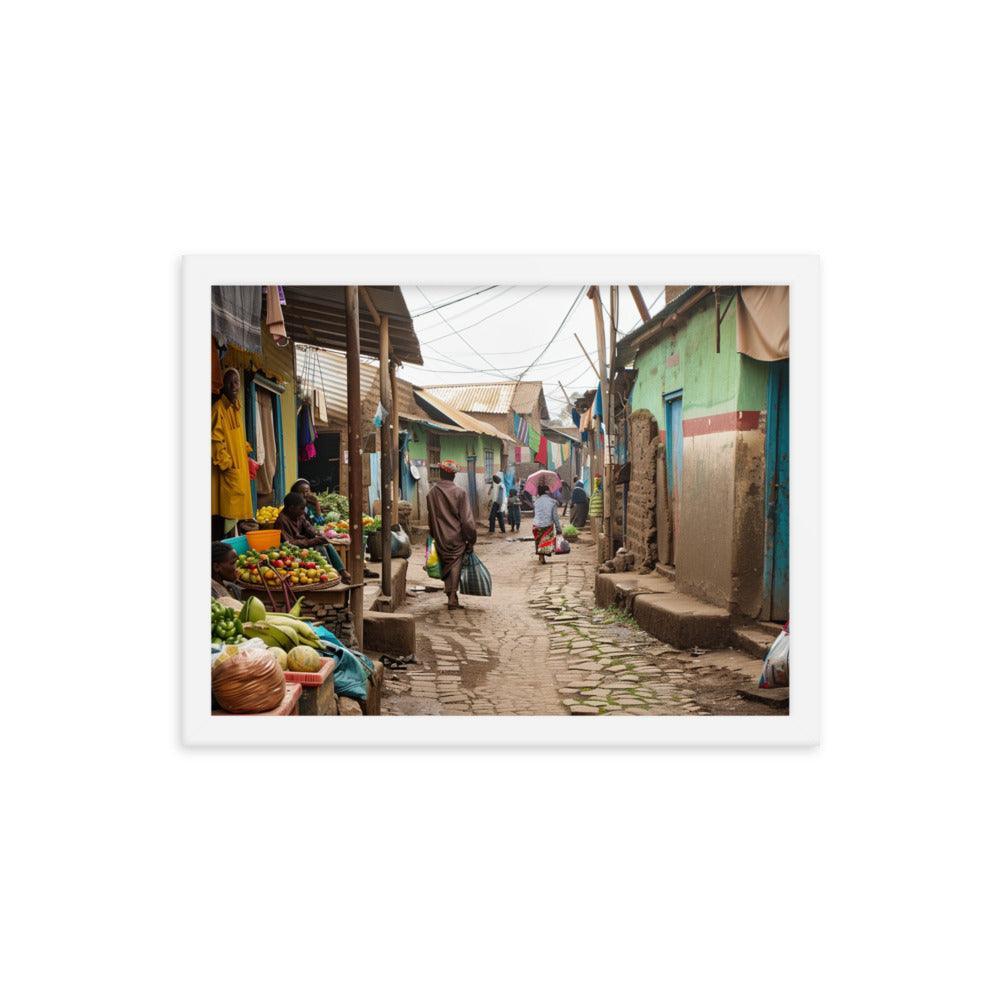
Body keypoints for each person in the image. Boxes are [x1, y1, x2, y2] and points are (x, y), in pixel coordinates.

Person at [426, 459, 478, 610]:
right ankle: (453, 596)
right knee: (455, 564)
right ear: (454, 476)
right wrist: (471, 540)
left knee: (446, 565)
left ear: (440, 474)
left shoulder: (431, 493)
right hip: (456, 537)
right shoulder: (460, 493)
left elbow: (431, 518)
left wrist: (433, 534)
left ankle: (450, 594)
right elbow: (467, 521)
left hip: (439, 536)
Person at [211, 368, 254, 534]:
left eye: (237, 382)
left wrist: (245, 453)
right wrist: (228, 464)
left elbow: (236, 438)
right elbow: (215, 441)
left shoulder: (235, 408)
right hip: (228, 472)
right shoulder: (218, 409)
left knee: (237, 515)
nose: (235, 386)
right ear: (223, 385)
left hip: (239, 469)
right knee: (228, 515)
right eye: (231, 382)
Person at [274, 491, 351, 582]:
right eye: (301, 509)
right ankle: (331, 573)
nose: (303, 511)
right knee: (320, 547)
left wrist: (318, 534)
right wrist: (313, 541)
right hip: (292, 551)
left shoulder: (298, 515)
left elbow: (309, 528)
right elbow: (289, 543)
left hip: (304, 544)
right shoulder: (281, 521)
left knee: (327, 544)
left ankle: (342, 571)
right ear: (291, 508)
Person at [532, 482, 562, 564]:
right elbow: (555, 517)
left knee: (538, 540)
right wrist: (558, 528)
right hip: (547, 525)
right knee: (545, 541)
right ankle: (542, 556)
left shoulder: (536, 502)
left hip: (536, 525)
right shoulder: (552, 502)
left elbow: (536, 514)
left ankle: (540, 555)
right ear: (547, 492)